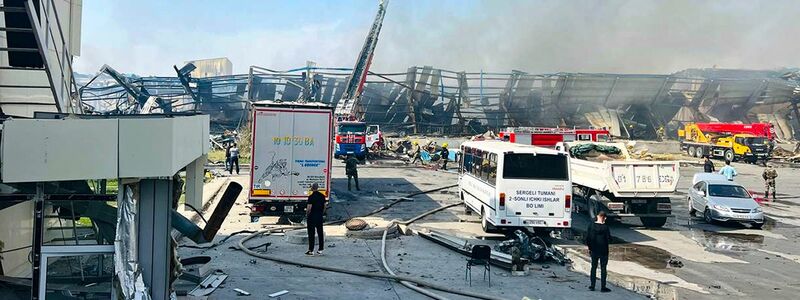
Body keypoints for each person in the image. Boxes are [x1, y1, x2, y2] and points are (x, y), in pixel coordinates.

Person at [585, 211, 611, 293]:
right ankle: (603, 287)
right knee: (603, 268)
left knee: (593, 267)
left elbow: (588, 238)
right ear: (605, 218)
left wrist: (589, 247)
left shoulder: (591, 226)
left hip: (594, 250)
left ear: (597, 216)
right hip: (604, 250)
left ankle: (592, 286)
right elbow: (609, 239)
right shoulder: (605, 227)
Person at [305, 183, 326, 256]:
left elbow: (309, 208)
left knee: (311, 234)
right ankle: (320, 249)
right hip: (319, 216)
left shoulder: (311, 197)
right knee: (320, 233)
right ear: (317, 188)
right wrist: (321, 213)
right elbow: (324, 207)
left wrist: (307, 215)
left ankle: (311, 250)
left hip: (312, 217)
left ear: (312, 188)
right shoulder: (322, 196)